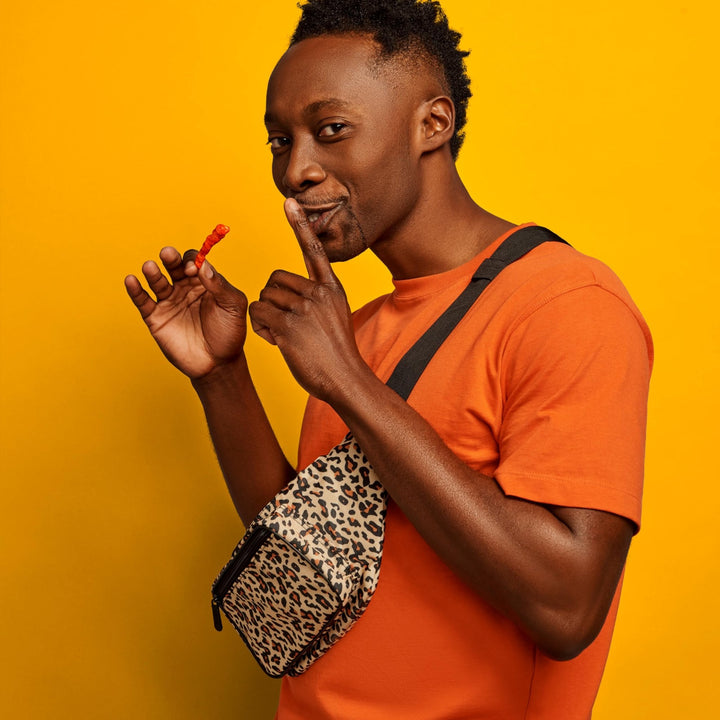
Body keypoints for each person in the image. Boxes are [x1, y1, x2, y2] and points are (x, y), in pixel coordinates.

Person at [124, 0, 653, 717]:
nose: (295, 170)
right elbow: (312, 556)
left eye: (330, 130)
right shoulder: (360, 327)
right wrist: (221, 376)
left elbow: (567, 606)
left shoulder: (565, 303)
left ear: (432, 124)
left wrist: (348, 382)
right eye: (280, 140)